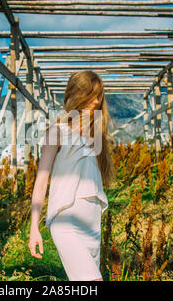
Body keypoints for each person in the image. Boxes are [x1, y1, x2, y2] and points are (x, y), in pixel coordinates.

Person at [28, 70, 116, 281]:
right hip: (65, 219)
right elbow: (41, 181)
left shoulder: (97, 136)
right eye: (91, 95)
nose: (96, 101)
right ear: (77, 95)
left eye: (99, 96)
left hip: (92, 222)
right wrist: (34, 228)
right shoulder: (56, 132)